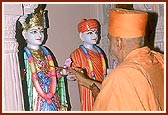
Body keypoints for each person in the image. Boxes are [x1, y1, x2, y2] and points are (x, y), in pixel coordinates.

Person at [68, 8, 164, 111]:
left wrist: (98, 97)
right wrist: (85, 80)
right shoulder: (158, 59)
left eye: (110, 39)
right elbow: (120, 90)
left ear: (118, 42)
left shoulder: (121, 75)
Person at [18, 5, 68, 111]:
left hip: (52, 96)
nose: (39, 35)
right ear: (24, 34)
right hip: (35, 98)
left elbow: (52, 74)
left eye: (41, 31)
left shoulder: (46, 52)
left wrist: (62, 73)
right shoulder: (23, 55)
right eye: (34, 31)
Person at [68, 19, 108, 111]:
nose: (94, 36)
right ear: (82, 36)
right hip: (87, 89)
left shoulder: (100, 52)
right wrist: (70, 75)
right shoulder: (77, 54)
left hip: (102, 86)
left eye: (96, 32)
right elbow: (71, 75)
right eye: (90, 33)